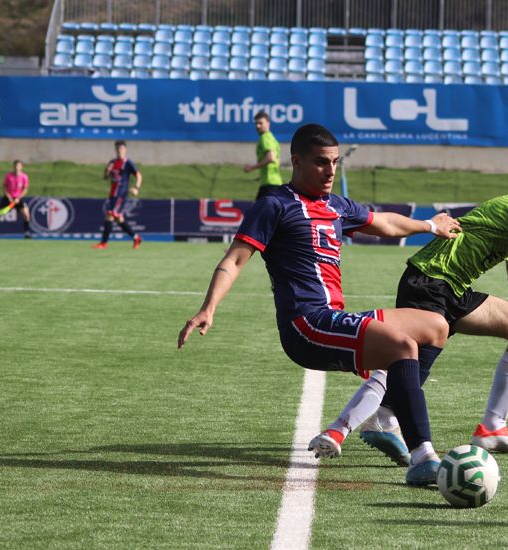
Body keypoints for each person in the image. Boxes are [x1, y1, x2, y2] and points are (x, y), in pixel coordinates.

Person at [178, 124, 462, 486]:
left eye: (335, 162)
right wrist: (208, 307)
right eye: (321, 163)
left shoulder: (336, 206)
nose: (330, 171)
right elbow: (234, 260)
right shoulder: (274, 205)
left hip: (334, 318)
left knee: (435, 327)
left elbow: (384, 222)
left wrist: (429, 225)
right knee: (402, 346)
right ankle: (423, 457)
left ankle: (384, 418)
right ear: (295, 162)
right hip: (306, 325)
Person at [313, 157, 508, 466]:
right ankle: (347, 427)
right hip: (429, 281)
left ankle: (492, 428)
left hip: (450, 289)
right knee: (403, 362)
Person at [93, 140, 142, 250]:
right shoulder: (112, 162)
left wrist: (136, 188)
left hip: (121, 195)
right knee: (119, 220)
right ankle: (136, 238)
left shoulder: (128, 163)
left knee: (110, 214)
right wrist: (106, 170)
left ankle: (103, 243)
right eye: (118, 148)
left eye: (122, 148)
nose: (119, 150)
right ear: (115, 150)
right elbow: (105, 177)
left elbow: (138, 175)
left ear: (125, 150)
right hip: (112, 195)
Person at [0, 160, 31, 239]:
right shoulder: (8, 176)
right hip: (8, 198)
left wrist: (18, 198)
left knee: (26, 215)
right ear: (13, 166)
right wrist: (9, 198)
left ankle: (27, 233)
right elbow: (4, 187)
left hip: (18, 199)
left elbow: (25, 189)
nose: (17, 168)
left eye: (18, 166)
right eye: (15, 166)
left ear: (21, 167)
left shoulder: (24, 176)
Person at [243, 111, 284, 200]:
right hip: (276, 183)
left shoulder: (264, 137)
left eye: (260, 123)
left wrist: (252, 167)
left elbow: (271, 157)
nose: (257, 126)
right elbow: (277, 162)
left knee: (256, 212)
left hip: (268, 185)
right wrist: (261, 175)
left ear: (268, 123)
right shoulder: (273, 138)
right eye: (256, 123)